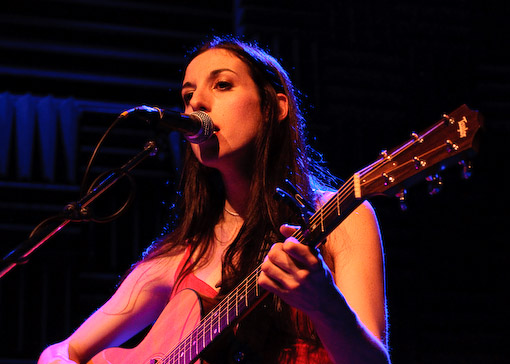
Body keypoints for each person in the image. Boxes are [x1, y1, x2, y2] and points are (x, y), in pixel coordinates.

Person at [38, 36, 390, 364]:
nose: (196, 103)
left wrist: (324, 304)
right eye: (188, 94)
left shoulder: (339, 215)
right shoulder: (180, 256)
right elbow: (60, 354)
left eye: (222, 84)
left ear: (275, 106)